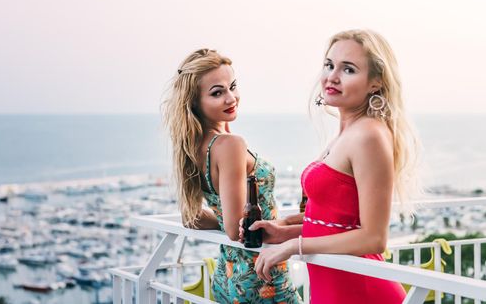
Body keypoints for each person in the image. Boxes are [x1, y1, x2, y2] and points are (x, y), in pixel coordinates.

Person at [249, 30, 420, 303]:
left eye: (348, 69)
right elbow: (337, 223)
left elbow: (373, 238)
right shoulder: (347, 133)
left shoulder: (369, 136)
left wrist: (295, 246)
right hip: (334, 288)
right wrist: (286, 232)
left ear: (375, 83)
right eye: (329, 65)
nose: (332, 76)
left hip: (361, 291)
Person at [162, 49, 302, 303]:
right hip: (261, 277)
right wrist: (302, 228)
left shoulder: (194, 146)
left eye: (232, 87)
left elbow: (192, 217)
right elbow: (235, 228)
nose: (231, 98)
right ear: (195, 103)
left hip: (227, 277)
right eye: (217, 93)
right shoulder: (230, 145)